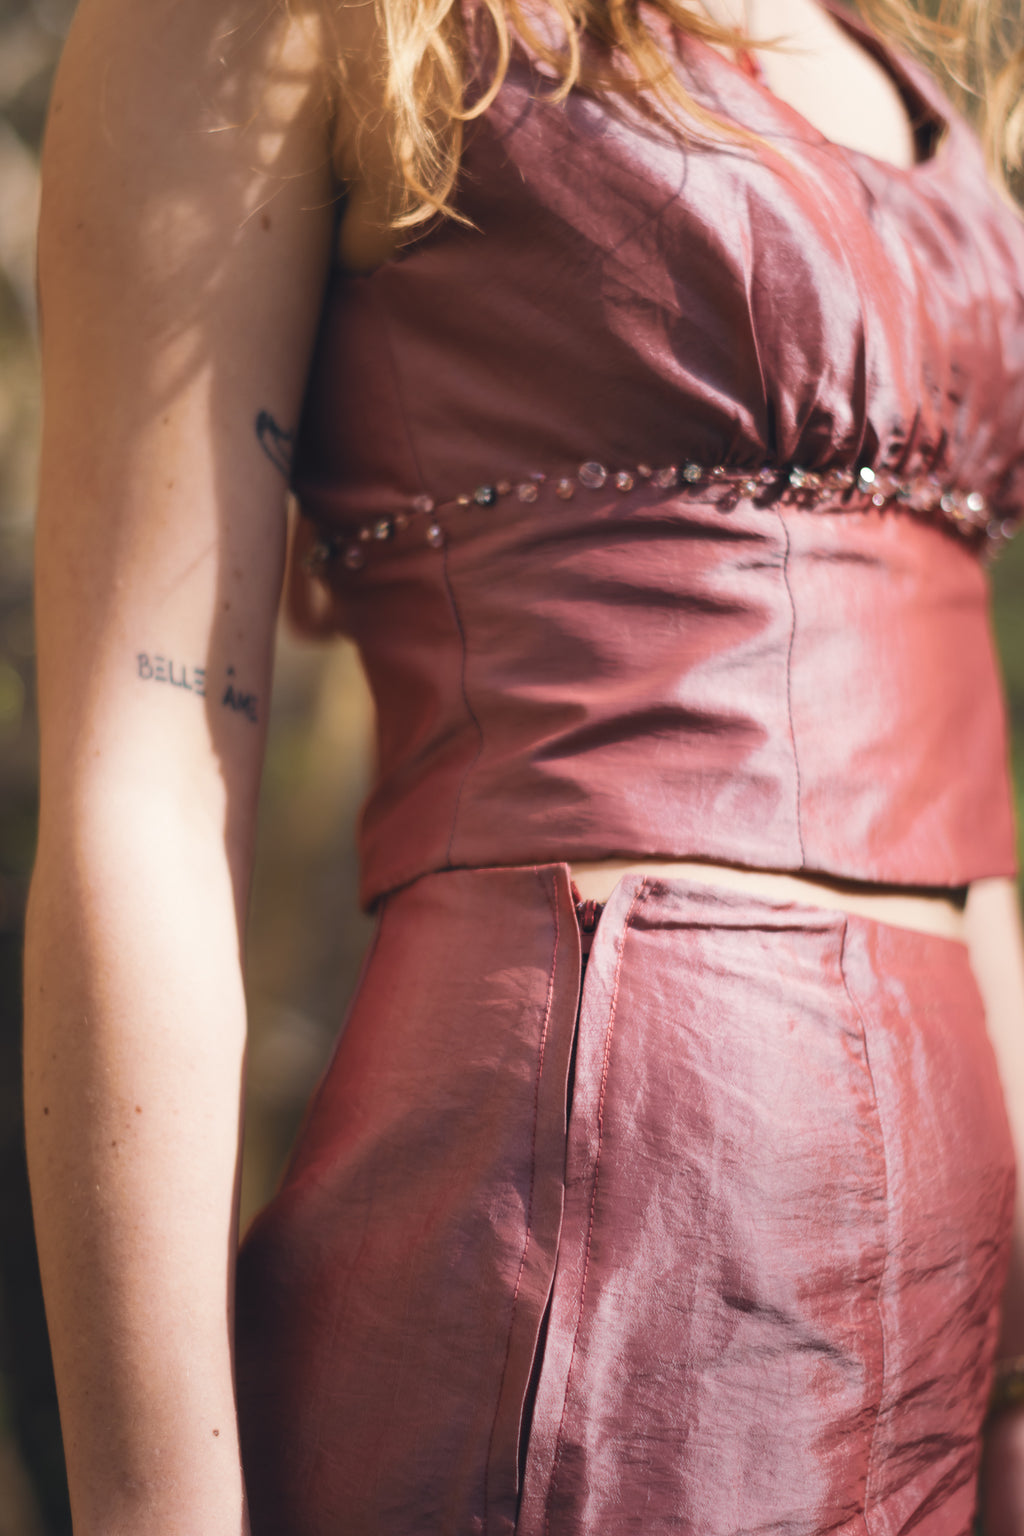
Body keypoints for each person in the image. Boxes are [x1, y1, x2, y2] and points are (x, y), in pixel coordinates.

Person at [22, 0, 1024, 1525]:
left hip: (958, 1281)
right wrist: (155, 1511)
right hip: (619, 1246)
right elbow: (146, 765)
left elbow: (954, 810)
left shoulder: (880, 36)